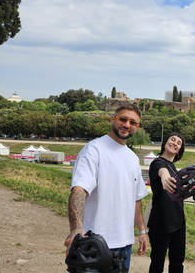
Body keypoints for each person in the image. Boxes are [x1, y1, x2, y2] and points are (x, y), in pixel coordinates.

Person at [64, 103, 149, 272]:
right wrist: (76, 229)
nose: (127, 125)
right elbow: (79, 189)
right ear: (113, 119)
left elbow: (136, 199)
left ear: (136, 127)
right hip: (94, 243)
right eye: (123, 119)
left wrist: (141, 231)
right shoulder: (94, 149)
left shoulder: (132, 158)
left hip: (124, 244)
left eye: (133, 122)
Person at [147, 132, 186, 273]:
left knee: (177, 262)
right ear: (165, 142)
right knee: (158, 262)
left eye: (179, 143)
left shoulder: (174, 168)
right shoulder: (158, 163)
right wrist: (165, 178)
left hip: (178, 221)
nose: (175, 143)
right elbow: (162, 172)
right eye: (173, 140)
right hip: (161, 221)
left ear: (180, 150)